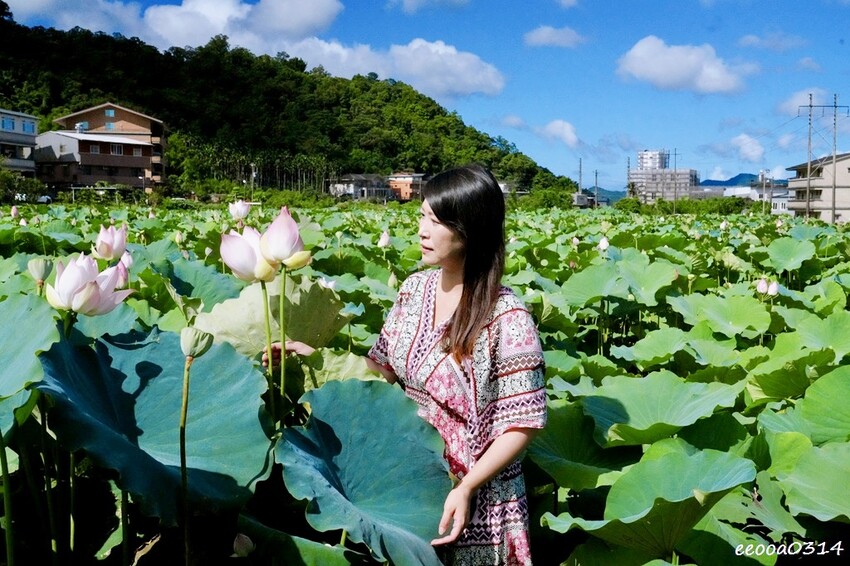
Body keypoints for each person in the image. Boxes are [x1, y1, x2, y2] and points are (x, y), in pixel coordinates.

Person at [267, 164, 547, 565]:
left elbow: (522, 424)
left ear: (471, 229)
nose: (422, 231)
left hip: (477, 495)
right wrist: (312, 358)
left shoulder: (508, 317)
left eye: (436, 222)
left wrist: (467, 486)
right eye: (422, 217)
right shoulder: (413, 290)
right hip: (409, 475)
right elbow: (382, 370)